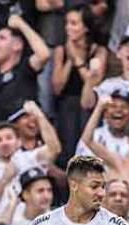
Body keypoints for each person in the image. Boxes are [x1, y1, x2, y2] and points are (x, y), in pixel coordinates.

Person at [52, 5, 108, 165]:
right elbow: (57, 87)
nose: (68, 27)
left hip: (90, 105)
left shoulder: (98, 51)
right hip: (66, 105)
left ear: (86, 28)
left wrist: (78, 61)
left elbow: (94, 83)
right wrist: (69, 59)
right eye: (67, 23)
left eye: (73, 23)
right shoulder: (61, 50)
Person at [0, 14, 51, 121]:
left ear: (17, 45)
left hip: (22, 131)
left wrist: (21, 25)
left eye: (2, 38)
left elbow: (44, 54)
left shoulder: (24, 68)